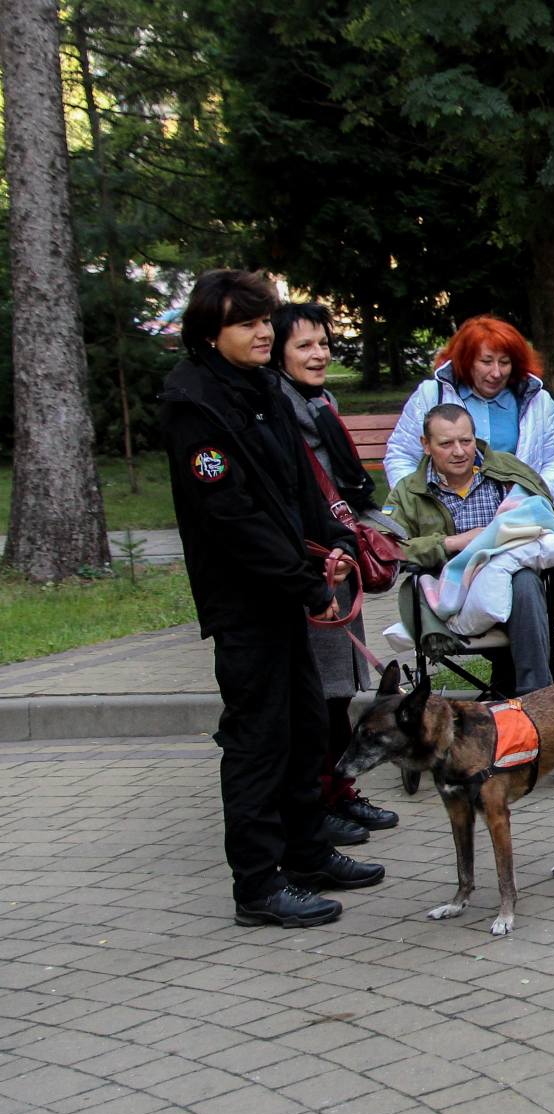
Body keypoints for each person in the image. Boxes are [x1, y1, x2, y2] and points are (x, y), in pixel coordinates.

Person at [159, 270, 385, 928]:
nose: (265, 332)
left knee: (306, 725)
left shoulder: (262, 387)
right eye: (247, 322)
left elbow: (299, 487)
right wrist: (305, 584)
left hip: (288, 589)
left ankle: (308, 852)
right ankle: (257, 885)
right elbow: (232, 519)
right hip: (245, 603)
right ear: (209, 332)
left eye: (267, 320)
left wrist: (335, 542)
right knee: (258, 740)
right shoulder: (193, 403)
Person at [269, 302, 398, 841]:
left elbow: (345, 486)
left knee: (341, 687)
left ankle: (338, 791)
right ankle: (319, 798)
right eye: (304, 345)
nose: (318, 353)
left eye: (323, 343)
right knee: (319, 692)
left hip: (339, 555)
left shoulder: (321, 402)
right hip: (309, 563)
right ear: (277, 353)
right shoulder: (276, 409)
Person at [385, 403, 554, 697]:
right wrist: (451, 543)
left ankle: (535, 698)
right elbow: (386, 546)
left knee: (527, 580)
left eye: (466, 441)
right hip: (449, 593)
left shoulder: (507, 473)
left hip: (512, 585)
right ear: (425, 445)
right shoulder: (408, 491)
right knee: (523, 584)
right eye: (446, 443)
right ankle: (519, 693)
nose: (459, 451)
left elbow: (551, 520)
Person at [385, 316, 554, 501]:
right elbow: (401, 455)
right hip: (444, 521)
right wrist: (420, 504)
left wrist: (534, 499)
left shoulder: (538, 400)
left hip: (519, 517)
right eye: (486, 362)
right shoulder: (432, 394)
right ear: (466, 361)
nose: (496, 372)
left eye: (504, 362)